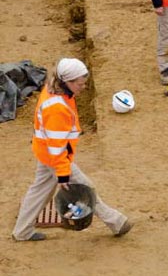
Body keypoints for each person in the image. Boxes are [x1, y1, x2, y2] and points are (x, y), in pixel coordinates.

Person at [12, 58, 132, 241]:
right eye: (80, 83)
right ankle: (116, 222)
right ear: (67, 81)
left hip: (46, 152)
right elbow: (57, 147)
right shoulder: (57, 109)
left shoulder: (57, 91)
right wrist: (63, 175)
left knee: (39, 192)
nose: (83, 87)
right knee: (86, 188)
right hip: (55, 157)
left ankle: (22, 231)